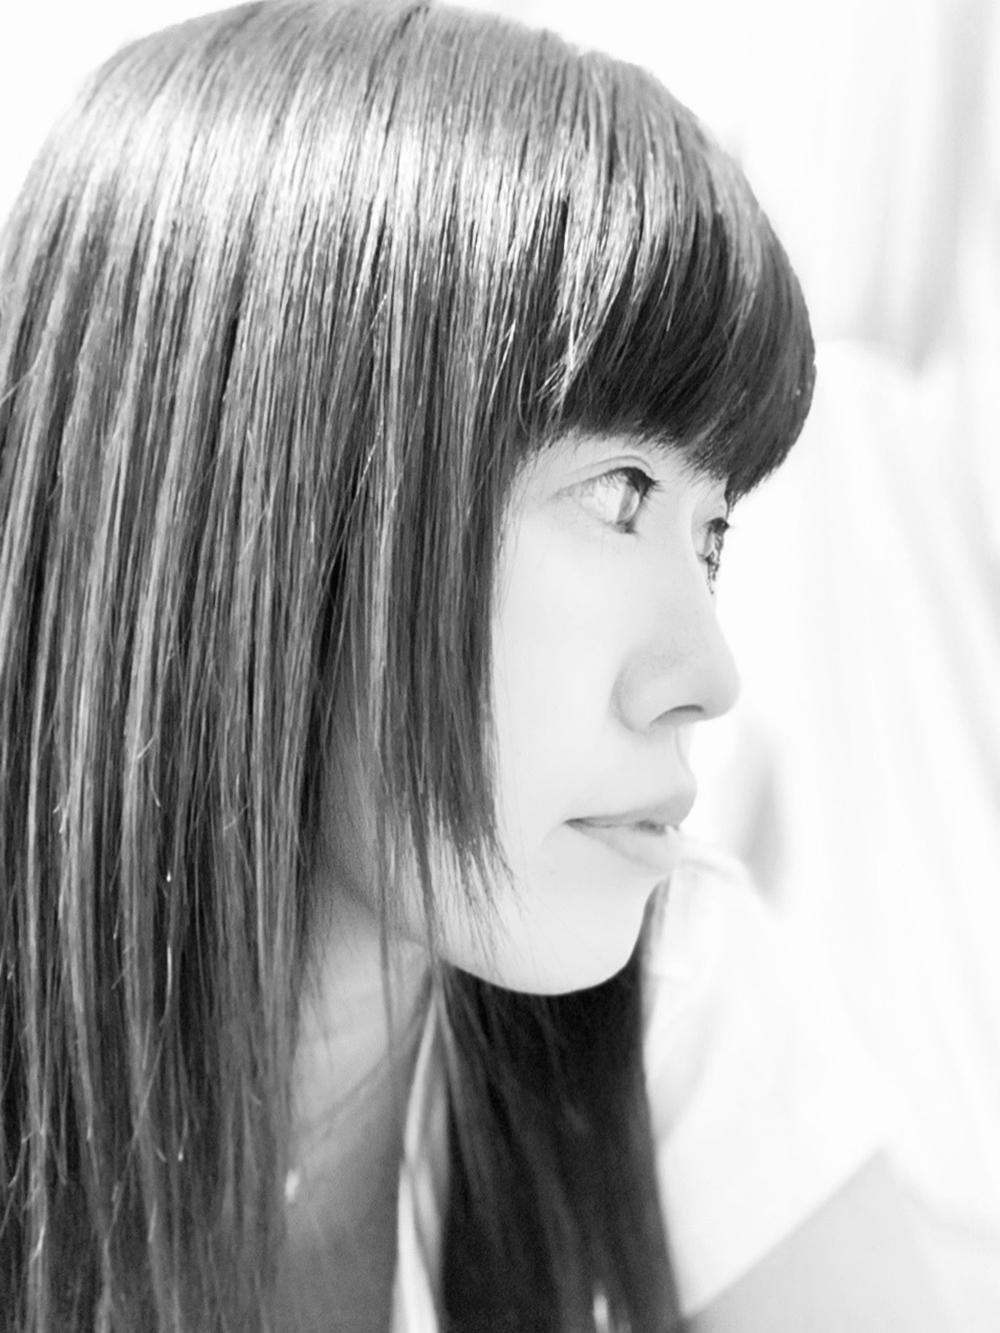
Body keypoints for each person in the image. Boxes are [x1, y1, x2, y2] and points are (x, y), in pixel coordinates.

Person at [0, 2, 951, 1330]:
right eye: (620, 493)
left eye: (712, 534)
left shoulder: (681, 998)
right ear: (275, 495)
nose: (707, 673)